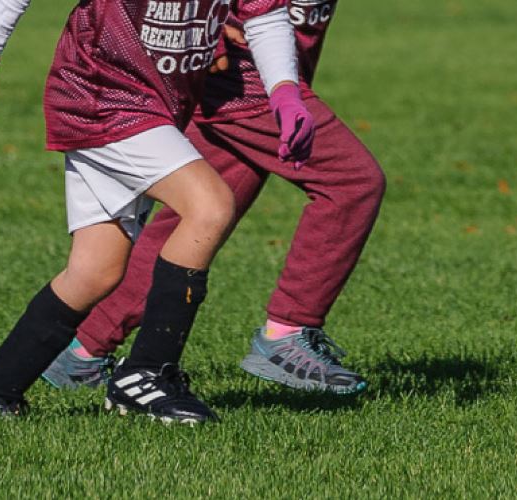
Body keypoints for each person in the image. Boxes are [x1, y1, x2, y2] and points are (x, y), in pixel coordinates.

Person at [0, 0, 314, 423]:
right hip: (99, 95)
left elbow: (263, 12)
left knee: (96, 270)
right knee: (210, 206)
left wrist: (285, 92)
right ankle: (149, 374)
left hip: (157, 106)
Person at [40, 0, 386, 396]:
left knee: (196, 219)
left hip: (261, 73)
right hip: (242, 74)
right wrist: (202, 30)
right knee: (352, 182)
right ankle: (288, 332)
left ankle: (83, 350)